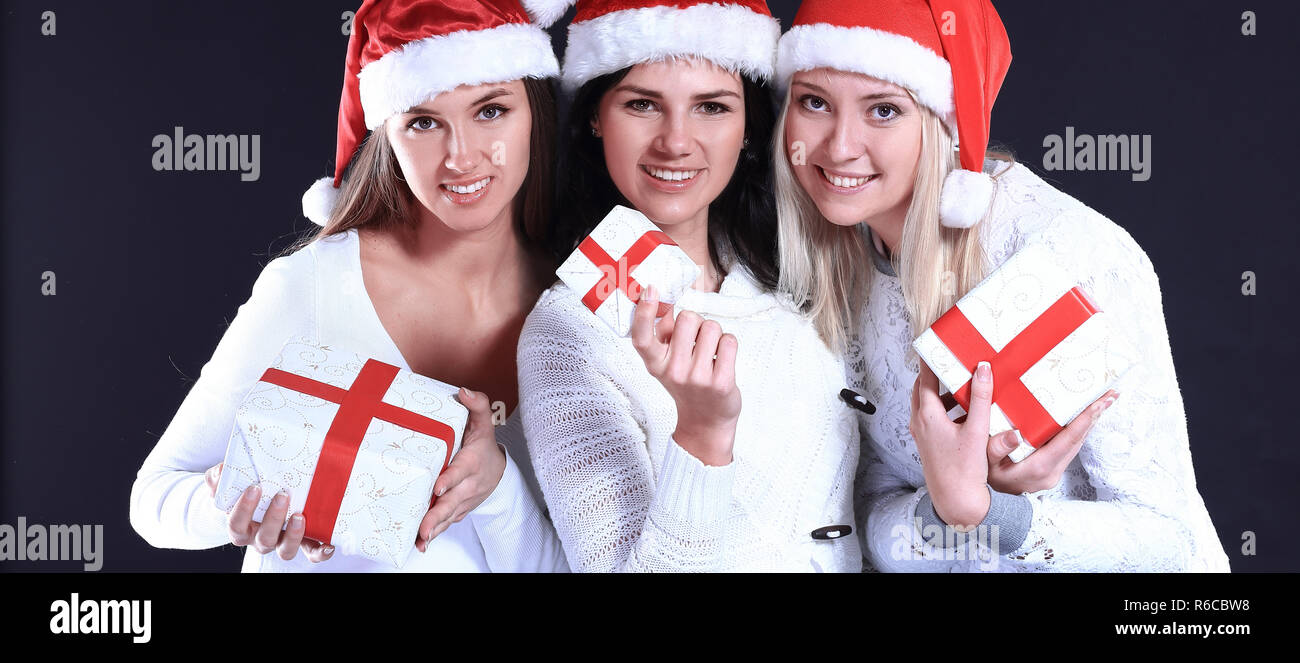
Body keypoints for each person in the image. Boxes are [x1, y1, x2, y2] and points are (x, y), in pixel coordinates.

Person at [772, 0, 1229, 571]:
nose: (838, 147)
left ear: (945, 122)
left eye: (884, 110)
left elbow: (1169, 540)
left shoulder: (1068, 254)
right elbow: (870, 510)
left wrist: (988, 513)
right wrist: (945, 512)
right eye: (814, 101)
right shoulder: (840, 259)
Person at [129, 0, 569, 572]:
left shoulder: (579, 306)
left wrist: (499, 487)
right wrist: (230, 504)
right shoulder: (314, 285)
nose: (462, 157)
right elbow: (155, 501)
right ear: (387, 132)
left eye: (491, 111)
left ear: (534, 109)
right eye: (423, 122)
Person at [517, 0, 862, 572]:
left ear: (749, 125)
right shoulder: (567, 332)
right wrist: (703, 434)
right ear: (596, 117)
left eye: (710, 107)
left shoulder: (800, 277)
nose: (676, 142)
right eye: (642, 105)